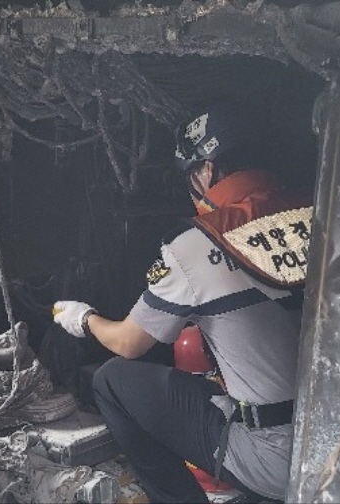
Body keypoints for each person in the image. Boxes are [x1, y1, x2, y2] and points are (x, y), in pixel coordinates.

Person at [53, 104, 314, 503]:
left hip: (275, 460)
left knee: (112, 380)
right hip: (339, 442)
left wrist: (82, 317)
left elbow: (128, 343)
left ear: (206, 171)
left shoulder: (195, 244)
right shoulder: (319, 214)